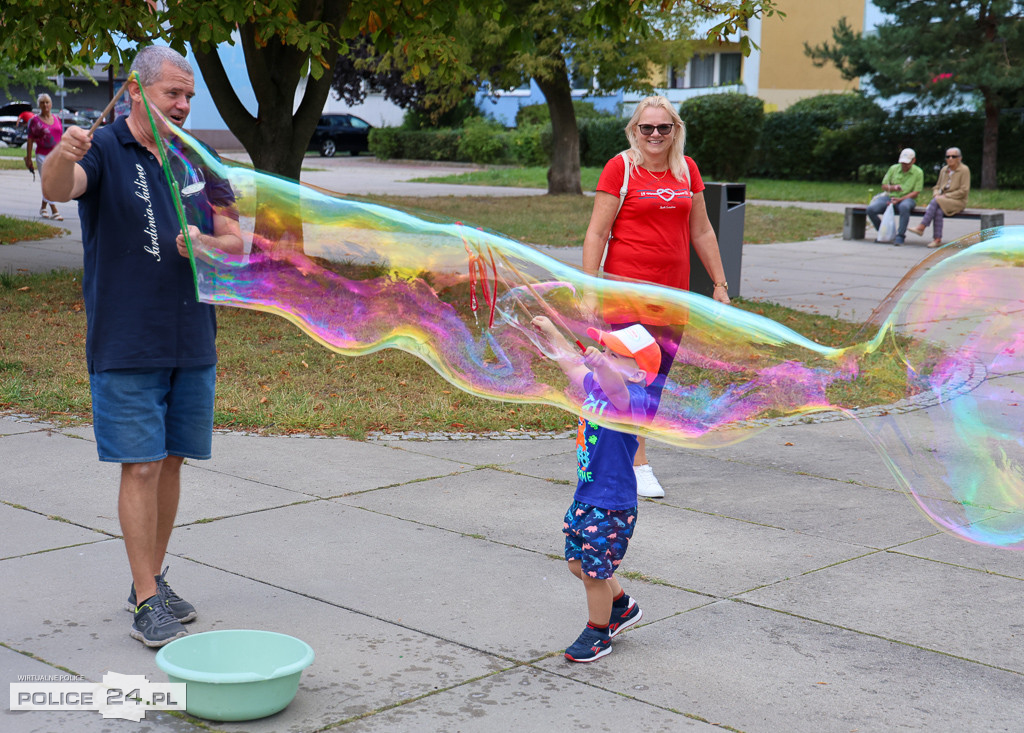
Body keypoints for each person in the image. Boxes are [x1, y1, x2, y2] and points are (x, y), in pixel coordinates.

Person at [41, 45, 242, 648]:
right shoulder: (102, 148)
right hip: (126, 338)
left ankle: (147, 579)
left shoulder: (199, 158)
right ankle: (147, 602)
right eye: (172, 95)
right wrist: (60, 151)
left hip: (192, 335)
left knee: (174, 459)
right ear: (136, 91)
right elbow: (61, 184)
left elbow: (235, 238)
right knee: (143, 463)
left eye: (189, 96)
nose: (183, 105)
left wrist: (208, 243)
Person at [581, 95, 730, 499]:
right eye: (647, 127)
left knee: (657, 381)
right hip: (626, 296)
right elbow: (597, 232)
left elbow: (702, 231)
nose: (655, 135)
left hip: (672, 298)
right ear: (635, 130)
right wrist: (590, 288)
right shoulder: (621, 168)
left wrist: (719, 284)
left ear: (675, 130)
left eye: (664, 127)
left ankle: (616, 451)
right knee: (634, 380)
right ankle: (637, 463)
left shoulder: (686, 170)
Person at [531, 316, 657, 662]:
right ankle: (620, 606)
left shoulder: (633, 400)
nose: (602, 355)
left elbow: (616, 388)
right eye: (603, 349)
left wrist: (603, 367)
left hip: (611, 505)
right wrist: (553, 333)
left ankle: (599, 634)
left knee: (591, 573)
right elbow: (571, 363)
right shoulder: (597, 387)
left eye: (614, 354)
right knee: (577, 564)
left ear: (639, 373)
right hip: (586, 495)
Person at [908, 147, 970, 248]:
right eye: (948, 156)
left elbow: (964, 191)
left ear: (960, 158)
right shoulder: (944, 170)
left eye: (953, 156)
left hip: (957, 201)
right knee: (938, 210)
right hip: (942, 200)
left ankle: (922, 227)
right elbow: (937, 186)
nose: (950, 158)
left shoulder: (964, 170)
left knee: (937, 201)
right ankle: (937, 239)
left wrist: (946, 196)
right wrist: (936, 193)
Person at [865, 148, 923, 246]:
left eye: (907, 163)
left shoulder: (918, 172)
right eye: (902, 163)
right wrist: (893, 188)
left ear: (913, 161)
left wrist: (899, 200)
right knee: (871, 209)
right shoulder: (893, 168)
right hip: (890, 196)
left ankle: (900, 235)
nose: (904, 165)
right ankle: (883, 232)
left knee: (904, 207)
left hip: (908, 199)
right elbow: (884, 186)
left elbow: (916, 192)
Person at [25, 93, 64, 220]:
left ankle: (43, 208)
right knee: (48, 182)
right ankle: (54, 210)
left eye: (47, 102)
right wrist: (29, 158)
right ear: (39, 105)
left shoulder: (57, 118)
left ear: (51, 104)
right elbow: (30, 139)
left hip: (56, 155)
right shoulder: (35, 121)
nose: (45, 105)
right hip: (42, 155)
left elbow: (61, 137)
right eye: (42, 103)